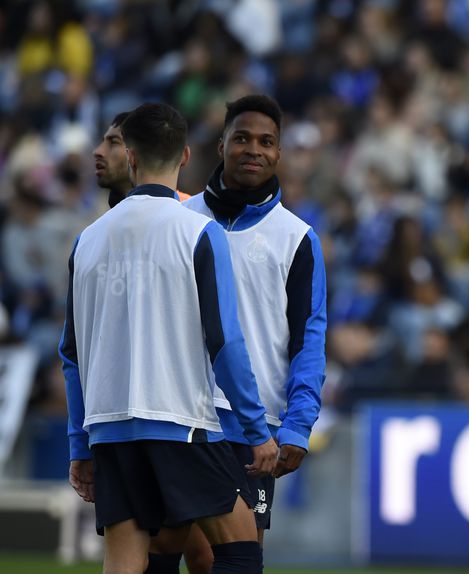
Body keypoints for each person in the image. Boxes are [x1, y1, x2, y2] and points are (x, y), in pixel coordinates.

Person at [60, 102, 278, 573]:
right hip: (179, 422)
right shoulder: (199, 231)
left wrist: (80, 444)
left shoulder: (88, 240)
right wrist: (257, 430)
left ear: (131, 157)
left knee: (125, 562)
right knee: (241, 550)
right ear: (183, 157)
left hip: (109, 427)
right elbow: (225, 342)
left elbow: (71, 355)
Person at [146, 94, 327, 574]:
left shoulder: (297, 237)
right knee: (162, 546)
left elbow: (308, 339)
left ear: (279, 153)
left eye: (267, 142)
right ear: (222, 144)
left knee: (227, 558)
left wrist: (298, 424)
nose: (254, 149)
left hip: (254, 426)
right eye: (242, 138)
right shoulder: (180, 221)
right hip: (177, 411)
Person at [94, 111, 192, 211]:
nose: (98, 151)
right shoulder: (100, 217)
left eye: (114, 142)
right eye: (102, 141)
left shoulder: (191, 211)